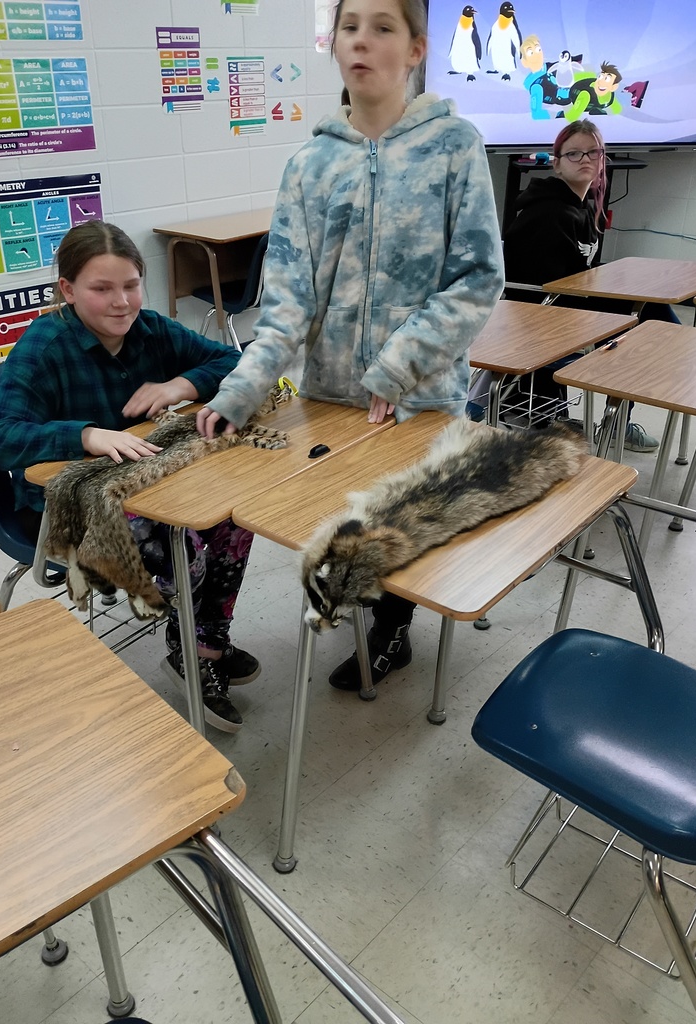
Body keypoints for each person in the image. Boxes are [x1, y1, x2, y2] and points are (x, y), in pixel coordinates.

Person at [196, 0, 504, 691]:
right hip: (331, 399)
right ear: (332, 43)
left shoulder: (454, 146)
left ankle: (392, 631)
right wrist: (241, 390)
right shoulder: (309, 165)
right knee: (343, 531)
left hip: (421, 398)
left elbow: (478, 278)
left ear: (417, 49)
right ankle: (359, 606)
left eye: (383, 26)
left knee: (401, 532)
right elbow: (286, 302)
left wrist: (395, 368)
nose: (362, 40)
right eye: (350, 25)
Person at [0, 220, 259, 733]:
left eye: (131, 285)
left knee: (234, 521)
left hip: (146, 482)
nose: (121, 302)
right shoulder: (46, 345)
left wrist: (180, 382)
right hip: (73, 505)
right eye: (101, 289)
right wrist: (85, 435)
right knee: (186, 542)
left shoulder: (149, 328)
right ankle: (188, 650)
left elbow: (235, 361)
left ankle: (207, 640)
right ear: (67, 290)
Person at [502, 117, 679, 450]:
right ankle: (632, 405)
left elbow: (581, 276)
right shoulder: (548, 213)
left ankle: (656, 379)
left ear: (602, 162)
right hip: (541, 314)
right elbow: (543, 292)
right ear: (556, 162)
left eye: (593, 153)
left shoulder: (581, 209)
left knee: (649, 309)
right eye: (574, 154)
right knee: (644, 319)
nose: (585, 159)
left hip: (567, 304)